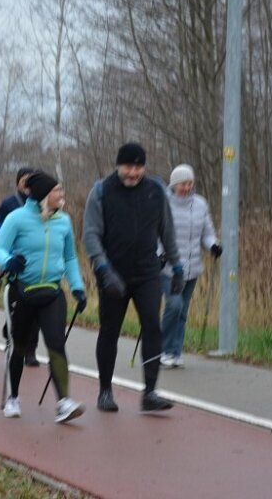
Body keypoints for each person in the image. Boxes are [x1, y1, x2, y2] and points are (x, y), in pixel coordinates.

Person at [83, 142, 183, 413]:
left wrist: (177, 267)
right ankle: (105, 391)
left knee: (152, 327)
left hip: (148, 273)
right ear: (118, 165)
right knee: (109, 331)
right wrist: (103, 269)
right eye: (128, 166)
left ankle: (150, 392)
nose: (133, 172)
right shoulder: (102, 191)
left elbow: (167, 232)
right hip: (113, 274)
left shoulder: (156, 191)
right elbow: (90, 235)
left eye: (139, 167)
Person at [0, 171, 87, 424]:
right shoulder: (17, 218)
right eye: (57, 191)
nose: (61, 195)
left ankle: (64, 402)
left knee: (56, 344)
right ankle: (12, 397)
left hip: (52, 291)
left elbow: (69, 257)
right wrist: (8, 260)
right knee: (19, 346)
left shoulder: (63, 221)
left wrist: (77, 287)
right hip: (21, 291)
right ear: (44, 195)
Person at [160, 164, 221, 368]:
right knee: (174, 305)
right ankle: (162, 349)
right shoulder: (164, 203)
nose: (187, 187)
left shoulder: (200, 204)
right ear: (174, 184)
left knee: (182, 311)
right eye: (182, 184)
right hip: (168, 267)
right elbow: (154, 233)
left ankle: (175, 353)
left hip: (193, 267)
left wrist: (213, 245)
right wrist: (159, 254)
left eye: (190, 183)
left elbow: (207, 232)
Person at [0, 166, 41, 366]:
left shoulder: (43, 203)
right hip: (14, 263)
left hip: (36, 265)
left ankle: (31, 351)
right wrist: (7, 255)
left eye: (32, 181)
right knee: (18, 308)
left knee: (36, 309)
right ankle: (10, 335)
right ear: (18, 182)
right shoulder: (9, 203)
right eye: (25, 180)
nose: (28, 185)